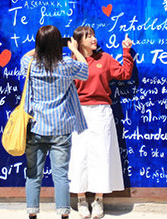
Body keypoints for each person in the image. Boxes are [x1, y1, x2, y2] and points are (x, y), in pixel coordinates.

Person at [22, 25, 89, 219]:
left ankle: (32, 212)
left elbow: (24, 57)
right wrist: (74, 48)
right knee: (60, 175)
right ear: (59, 44)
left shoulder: (31, 65)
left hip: (36, 127)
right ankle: (63, 214)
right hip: (61, 128)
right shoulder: (67, 64)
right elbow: (85, 69)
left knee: (33, 174)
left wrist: (41, 46)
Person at [68, 27, 135, 219]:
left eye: (93, 35)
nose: (93, 39)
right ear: (79, 41)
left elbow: (124, 74)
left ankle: (98, 199)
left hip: (102, 112)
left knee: (101, 155)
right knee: (79, 155)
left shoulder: (104, 59)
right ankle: (81, 198)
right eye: (88, 36)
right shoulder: (72, 62)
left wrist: (126, 52)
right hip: (78, 112)